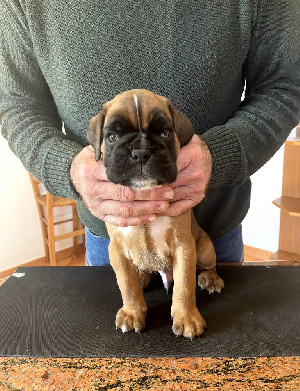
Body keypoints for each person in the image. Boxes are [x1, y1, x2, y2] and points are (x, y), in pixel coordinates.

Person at [1, 1, 299, 265]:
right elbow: (14, 103)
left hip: (210, 228)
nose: (141, 151)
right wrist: (67, 168)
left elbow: (286, 85)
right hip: (109, 233)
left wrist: (220, 155)